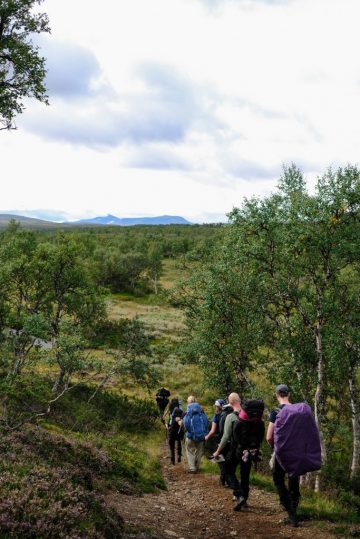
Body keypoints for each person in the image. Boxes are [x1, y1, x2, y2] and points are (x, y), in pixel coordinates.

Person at [213, 393, 264, 511]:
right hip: (251, 450)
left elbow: (226, 437)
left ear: (229, 402)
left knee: (228, 471)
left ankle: (239, 494)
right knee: (245, 475)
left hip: (236, 450)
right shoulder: (254, 417)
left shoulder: (231, 417)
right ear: (240, 401)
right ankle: (244, 500)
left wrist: (217, 451)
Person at [266, 384, 300, 528]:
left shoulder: (275, 412)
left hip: (281, 452)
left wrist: (275, 447)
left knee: (278, 480)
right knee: (293, 480)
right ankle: (294, 509)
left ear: (276, 395)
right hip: (296, 452)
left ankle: (290, 512)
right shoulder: (298, 411)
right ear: (289, 394)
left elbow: (268, 437)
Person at [183, 396, 209, 473]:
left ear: (188, 401)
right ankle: (197, 466)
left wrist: (188, 432)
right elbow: (206, 422)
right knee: (199, 451)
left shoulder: (188, 412)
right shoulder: (201, 411)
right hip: (201, 436)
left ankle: (192, 467)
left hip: (191, 436)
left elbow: (186, 423)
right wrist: (205, 433)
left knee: (190, 450)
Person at [205, 399, 226, 485]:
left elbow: (213, 431)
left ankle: (223, 480)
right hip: (229, 440)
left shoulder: (216, 416)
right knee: (227, 459)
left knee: (220, 460)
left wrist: (206, 437)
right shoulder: (229, 414)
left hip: (219, 440)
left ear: (217, 406)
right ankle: (226, 479)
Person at [166, 399, 184, 465]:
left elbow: (169, 421)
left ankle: (172, 460)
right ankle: (179, 455)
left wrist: (167, 425)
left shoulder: (171, 410)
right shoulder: (180, 410)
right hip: (179, 429)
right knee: (179, 442)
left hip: (172, 430)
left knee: (171, 446)